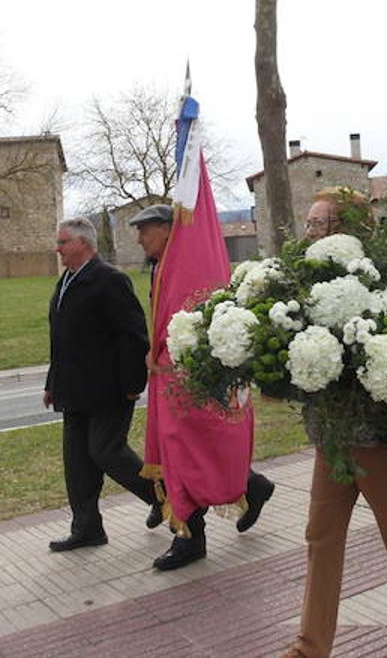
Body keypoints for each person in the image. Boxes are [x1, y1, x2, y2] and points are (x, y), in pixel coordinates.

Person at [283, 190, 387, 658]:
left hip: (384, 435)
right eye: (311, 223)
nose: (311, 232)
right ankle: (310, 645)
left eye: (320, 224)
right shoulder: (300, 284)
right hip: (333, 436)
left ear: (347, 228)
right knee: (321, 536)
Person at [130, 203, 275, 571]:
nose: (139, 237)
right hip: (167, 374)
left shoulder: (184, 266)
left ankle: (191, 539)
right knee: (191, 453)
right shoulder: (160, 267)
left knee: (186, 454)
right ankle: (251, 485)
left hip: (183, 377)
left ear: (167, 229)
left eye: (145, 229)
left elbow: (187, 316)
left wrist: (161, 351)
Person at [44, 217, 161, 552]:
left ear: (83, 243)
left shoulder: (109, 280)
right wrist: (53, 383)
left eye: (63, 242)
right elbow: (60, 340)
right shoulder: (65, 282)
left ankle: (164, 497)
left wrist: (133, 384)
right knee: (77, 462)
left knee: (106, 451)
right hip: (73, 391)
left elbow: (133, 335)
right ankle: (87, 528)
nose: (58, 249)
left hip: (109, 390)